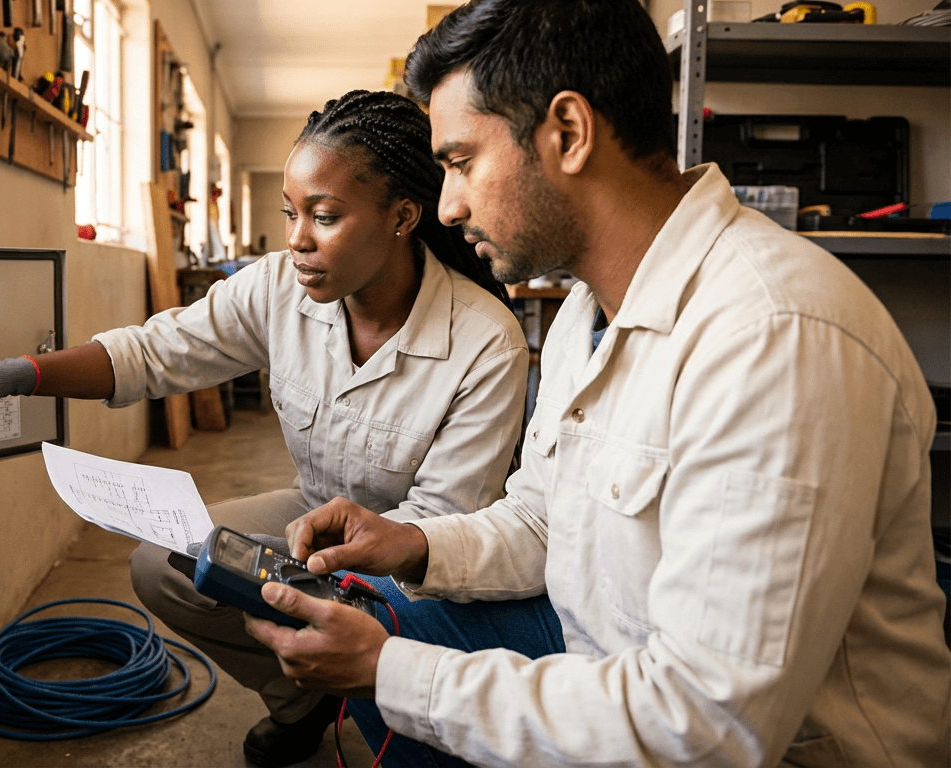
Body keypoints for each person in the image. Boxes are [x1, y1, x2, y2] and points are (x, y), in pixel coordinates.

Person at [242, 2, 951, 767]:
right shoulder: (587, 311)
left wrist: (396, 673)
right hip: (605, 652)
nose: (448, 206)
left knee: (394, 671)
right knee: (371, 619)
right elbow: (545, 519)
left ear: (569, 133)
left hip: (758, 747)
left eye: (462, 162)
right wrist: (411, 543)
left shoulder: (774, 337)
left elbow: (707, 728)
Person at [0, 89, 532, 766]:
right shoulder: (278, 286)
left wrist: (309, 584)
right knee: (165, 564)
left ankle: (373, 686)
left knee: (348, 633)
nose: (298, 239)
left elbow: (438, 528)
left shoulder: (484, 342)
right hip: (313, 514)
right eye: (291, 213)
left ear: (402, 216)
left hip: (412, 561)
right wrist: (20, 374)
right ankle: (302, 700)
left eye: (325, 216)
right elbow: (157, 351)